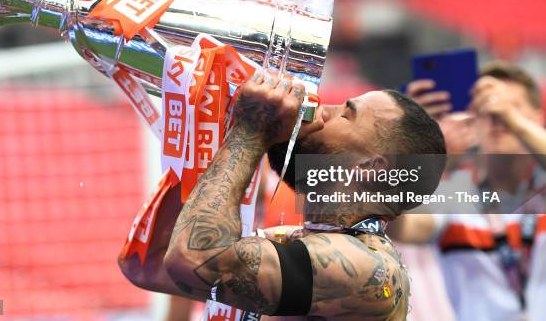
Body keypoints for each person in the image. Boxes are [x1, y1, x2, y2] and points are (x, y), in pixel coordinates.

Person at [119, 69, 447, 320]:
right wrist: (209, 133)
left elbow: (193, 258)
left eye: (346, 113)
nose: (322, 109)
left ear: (370, 167)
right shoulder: (295, 240)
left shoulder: (365, 266)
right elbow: (145, 264)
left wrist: (248, 134)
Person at [389, 61, 546, 321]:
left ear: (538, 118)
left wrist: (514, 122)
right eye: (485, 109)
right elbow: (400, 227)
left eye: (510, 107)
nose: (497, 118)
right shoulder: (453, 194)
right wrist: (412, 142)